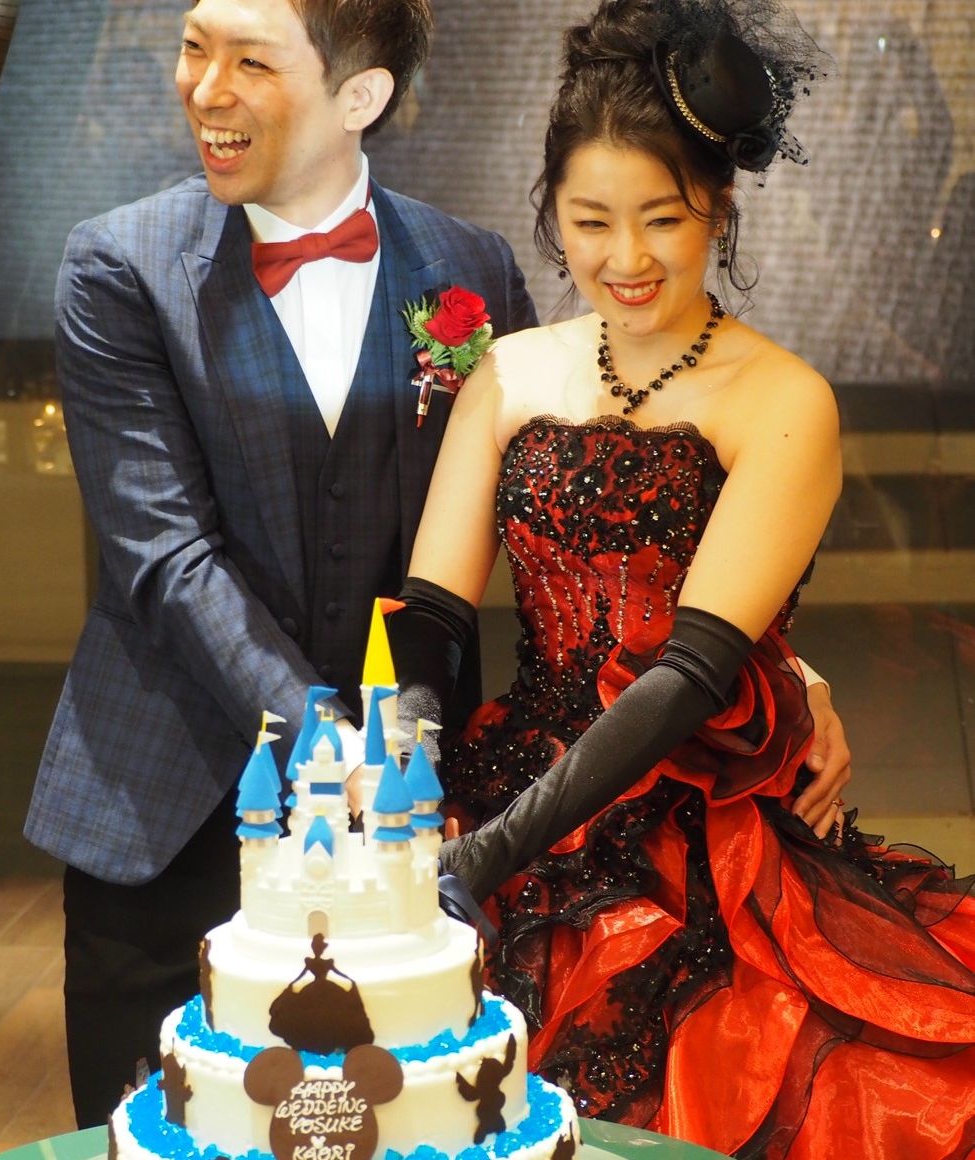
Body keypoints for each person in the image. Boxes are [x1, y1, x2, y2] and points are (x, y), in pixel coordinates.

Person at [391, 1, 975, 1156]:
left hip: (693, 820)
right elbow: (430, 615)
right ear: (551, 213)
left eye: (661, 217)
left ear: (719, 203)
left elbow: (692, 669)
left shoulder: (783, 398)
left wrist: (480, 857)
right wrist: (404, 766)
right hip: (500, 779)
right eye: (590, 220)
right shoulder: (505, 373)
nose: (626, 258)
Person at [21, 0, 539, 1127]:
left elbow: (551, 527)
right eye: (194, 47)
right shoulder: (118, 266)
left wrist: (776, 675)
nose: (203, 88)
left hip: (407, 818)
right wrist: (328, 741)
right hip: (166, 810)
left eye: (250, 60)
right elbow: (164, 555)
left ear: (362, 95)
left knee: (412, 1125)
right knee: (161, 1133)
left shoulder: (473, 272)